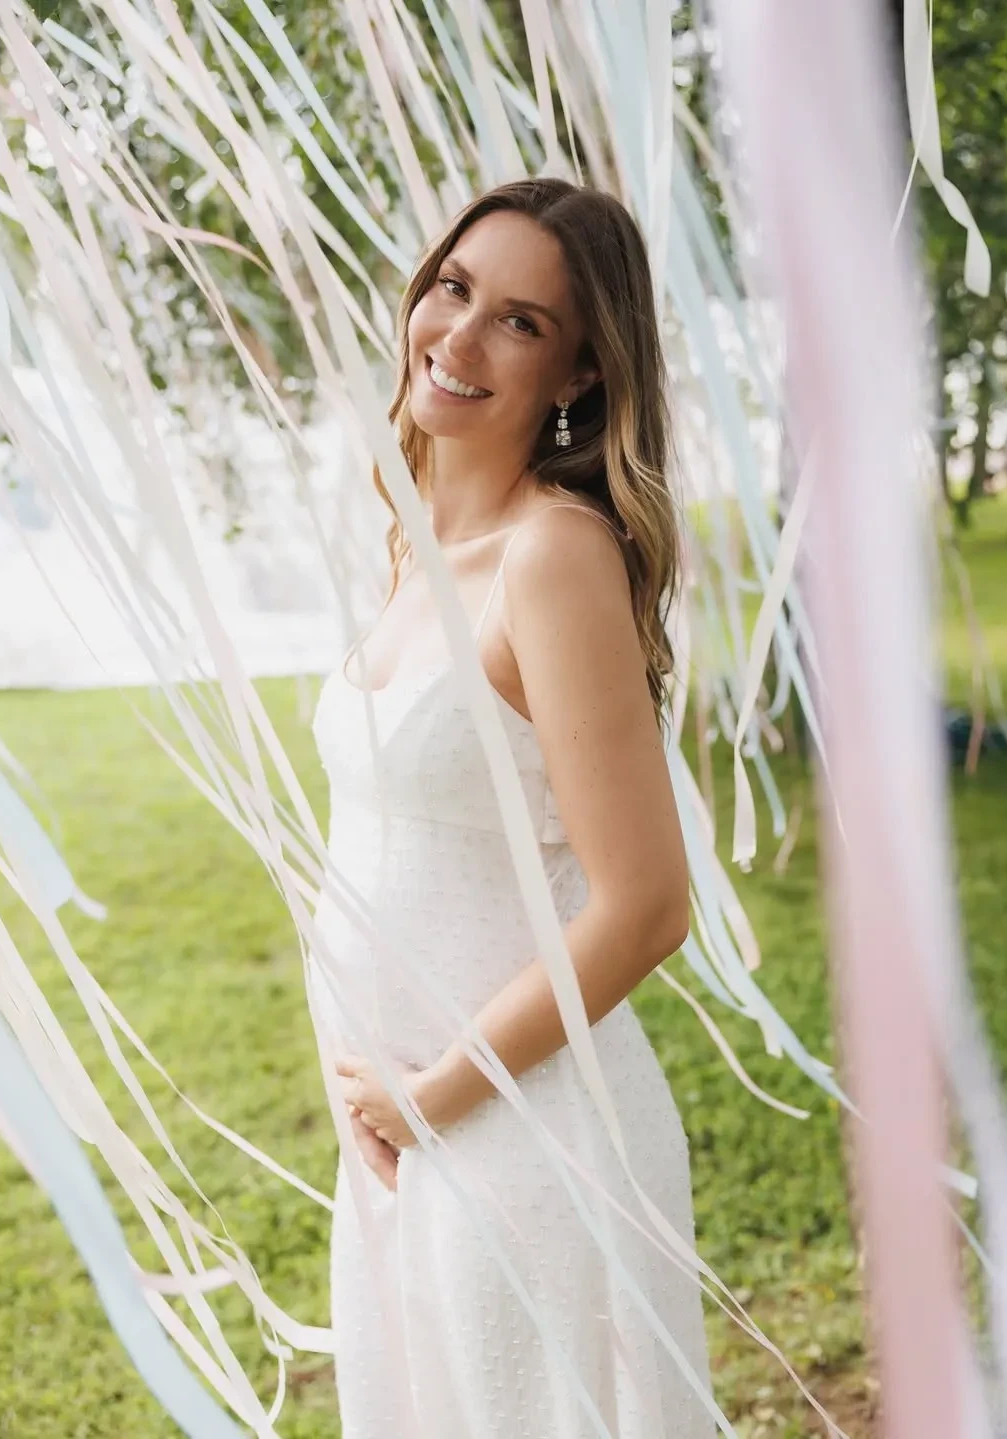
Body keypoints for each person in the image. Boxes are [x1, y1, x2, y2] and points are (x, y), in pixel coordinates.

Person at [309, 177, 715, 1437]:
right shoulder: (408, 542)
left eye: (521, 323)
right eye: (454, 288)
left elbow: (646, 904)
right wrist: (385, 1100)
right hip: (398, 1139)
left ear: (580, 371)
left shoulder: (554, 555)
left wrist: (439, 1092)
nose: (461, 337)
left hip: (523, 1133)